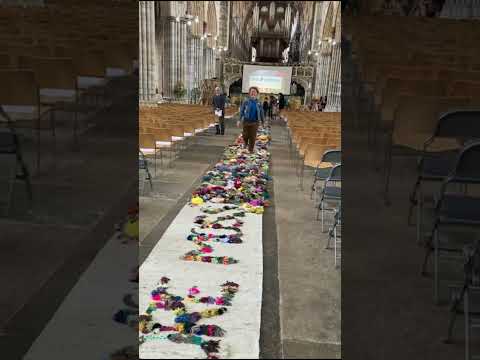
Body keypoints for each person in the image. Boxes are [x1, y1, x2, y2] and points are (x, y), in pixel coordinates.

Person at [237, 86, 264, 153]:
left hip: (255, 122)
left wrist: (263, 121)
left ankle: (250, 150)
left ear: (257, 93)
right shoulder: (246, 101)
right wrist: (239, 120)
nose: (253, 93)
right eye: (251, 92)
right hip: (246, 121)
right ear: (249, 93)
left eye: (254, 92)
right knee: (245, 135)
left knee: (252, 136)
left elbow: (261, 112)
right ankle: (245, 143)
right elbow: (242, 111)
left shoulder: (259, 102)